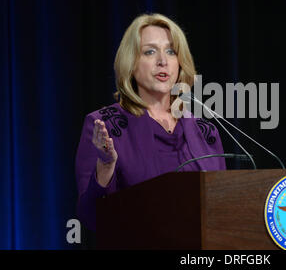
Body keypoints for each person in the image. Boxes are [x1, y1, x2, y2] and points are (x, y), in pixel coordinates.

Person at [75, 13, 226, 232]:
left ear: (180, 63)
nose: (162, 61)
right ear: (131, 63)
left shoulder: (205, 131)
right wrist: (106, 166)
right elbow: (92, 218)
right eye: (150, 51)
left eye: (171, 51)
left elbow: (222, 209)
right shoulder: (104, 125)